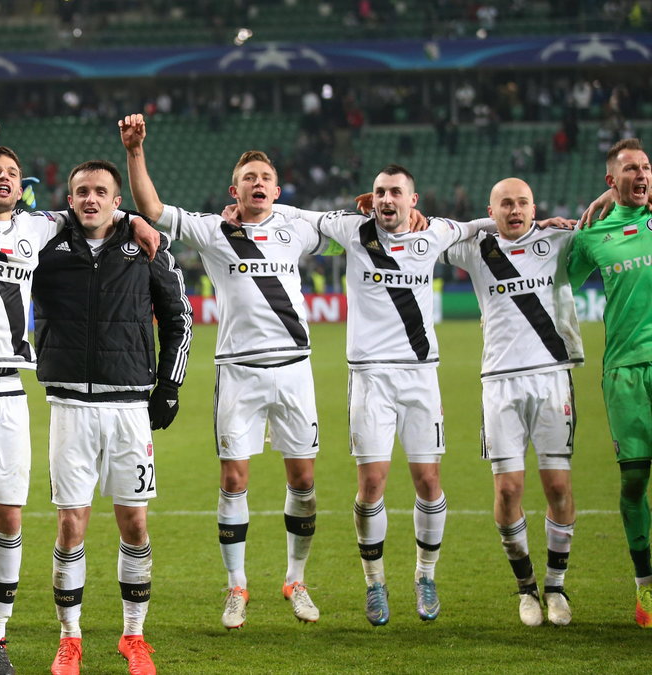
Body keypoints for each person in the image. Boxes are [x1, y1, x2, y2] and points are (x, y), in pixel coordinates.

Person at [0, 113, 158, 675]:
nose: (4, 178)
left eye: (12, 172)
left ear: (23, 186)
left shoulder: (38, 229)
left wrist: (135, 219)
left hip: (11, 391)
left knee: (10, 518)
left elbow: (96, 207)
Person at [120, 113, 327, 627]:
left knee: (303, 480)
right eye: (248, 178)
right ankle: (236, 587)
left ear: (277, 190)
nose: (257, 184)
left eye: (265, 178)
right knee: (234, 480)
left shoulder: (297, 228)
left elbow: (353, 229)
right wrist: (135, 151)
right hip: (239, 373)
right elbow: (150, 208)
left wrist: (388, 212)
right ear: (233, 189)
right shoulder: (213, 232)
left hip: (295, 370)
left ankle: (295, 579)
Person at [288, 165, 494, 625]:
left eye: (395, 192)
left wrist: (545, 225)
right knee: (372, 485)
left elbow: (484, 222)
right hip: (371, 378)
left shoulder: (435, 233)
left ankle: (425, 576)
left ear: (412, 200)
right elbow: (300, 215)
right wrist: (247, 212)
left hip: (421, 377)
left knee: (428, 481)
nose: (386, 199)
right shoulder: (353, 229)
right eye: (380, 191)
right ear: (372, 197)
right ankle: (375, 583)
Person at [34, 159, 191, 675]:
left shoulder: (146, 246)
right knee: (70, 524)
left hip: (128, 407)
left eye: (101, 191)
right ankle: (70, 639)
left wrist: (168, 385)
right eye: (82, 191)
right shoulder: (47, 247)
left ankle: (133, 636)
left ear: (117, 200)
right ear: (70, 198)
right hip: (69, 407)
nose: (91, 199)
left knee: (135, 524)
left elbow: (179, 317)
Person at [442, 177, 581, 626]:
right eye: (505, 204)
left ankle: (556, 587)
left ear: (535, 207)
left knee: (558, 488)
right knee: (508, 489)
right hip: (499, 384)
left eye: (523, 203)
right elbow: (439, 233)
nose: (515, 210)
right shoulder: (477, 250)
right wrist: (486, 223)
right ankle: (526, 589)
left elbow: (603, 225)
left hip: (551, 381)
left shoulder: (557, 240)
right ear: (491, 209)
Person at [565, 138, 652, 627]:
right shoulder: (594, 235)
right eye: (630, 170)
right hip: (624, 373)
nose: (641, 176)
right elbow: (553, 284)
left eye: (646, 168)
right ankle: (645, 585)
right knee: (635, 479)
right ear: (610, 181)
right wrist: (582, 219)